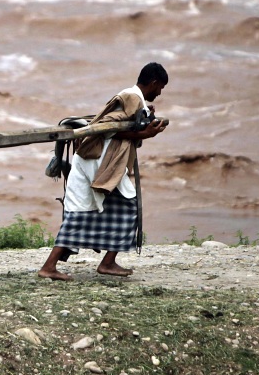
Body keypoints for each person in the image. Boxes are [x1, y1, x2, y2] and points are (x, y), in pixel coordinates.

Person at [38, 62, 169, 281]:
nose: (160, 92)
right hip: (100, 161)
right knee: (129, 205)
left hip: (88, 159)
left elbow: (124, 125)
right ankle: (107, 263)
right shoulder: (132, 98)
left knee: (79, 210)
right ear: (154, 83)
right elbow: (111, 131)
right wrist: (146, 134)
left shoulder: (132, 98)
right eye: (161, 87)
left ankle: (50, 266)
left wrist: (145, 119)